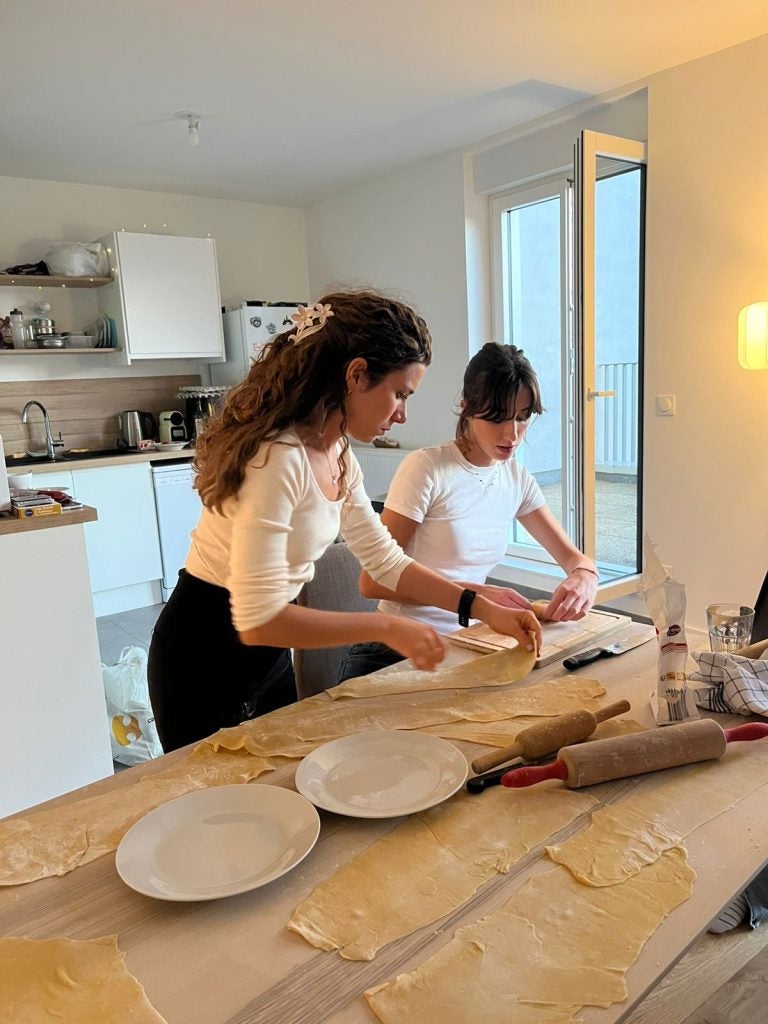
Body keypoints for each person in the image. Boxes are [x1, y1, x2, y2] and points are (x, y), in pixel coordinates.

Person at [148, 294, 542, 752]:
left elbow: (387, 561)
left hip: (266, 657)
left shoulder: (336, 454)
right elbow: (259, 619)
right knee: (213, 812)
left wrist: (481, 608)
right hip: (201, 654)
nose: (403, 414)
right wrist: (384, 627)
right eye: (400, 394)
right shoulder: (278, 459)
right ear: (356, 375)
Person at [341, 341, 599, 680]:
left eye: (522, 418)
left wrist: (584, 578)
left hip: (468, 644)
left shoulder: (515, 478)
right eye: (498, 417)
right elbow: (373, 582)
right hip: (396, 650)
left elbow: (576, 561)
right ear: (467, 407)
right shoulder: (427, 468)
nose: (513, 433)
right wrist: (476, 595)